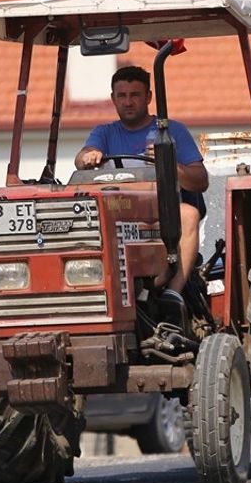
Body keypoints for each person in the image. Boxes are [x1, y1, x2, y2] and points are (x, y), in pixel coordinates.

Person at [74, 65, 208, 309]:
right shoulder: (104, 133)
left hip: (160, 212)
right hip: (120, 212)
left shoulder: (171, 130)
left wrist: (168, 163)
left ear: (148, 97)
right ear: (113, 99)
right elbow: (83, 157)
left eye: (135, 95)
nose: (128, 102)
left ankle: (174, 292)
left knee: (189, 215)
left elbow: (200, 180)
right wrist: (87, 157)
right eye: (122, 96)